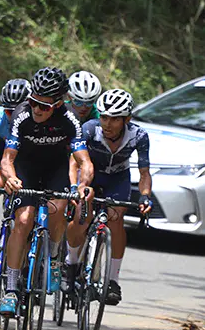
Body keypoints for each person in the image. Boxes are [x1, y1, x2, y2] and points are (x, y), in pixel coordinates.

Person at [0, 66, 92, 317]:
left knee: (58, 209)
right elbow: (7, 159)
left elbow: (85, 162)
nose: (37, 110)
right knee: (24, 219)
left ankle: (53, 258)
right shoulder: (22, 115)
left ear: (59, 104)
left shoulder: (70, 118)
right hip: (26, 168)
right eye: (34, 103)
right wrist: (11, 177)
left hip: (55, 169)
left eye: (45, 106)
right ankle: (10, 289)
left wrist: (83, 186)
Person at [65, 88, 152, 305]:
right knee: (82, 212)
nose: (107, 123)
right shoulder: (88, 129)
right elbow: (75, 162)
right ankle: (71, 263)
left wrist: (145, 196)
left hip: (118, 179)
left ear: (127, 119)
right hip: (91, 175)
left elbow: (144, 173)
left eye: (114, 119)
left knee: (115, 219)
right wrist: (76, 186)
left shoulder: (139, 136)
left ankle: (113, 280)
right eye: (104, 116)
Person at [0, 78, 30, 258]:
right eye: (9, 111)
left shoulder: (33, 119)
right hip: (2, 155)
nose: (13, 114)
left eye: (18, 110)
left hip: (23, 156)